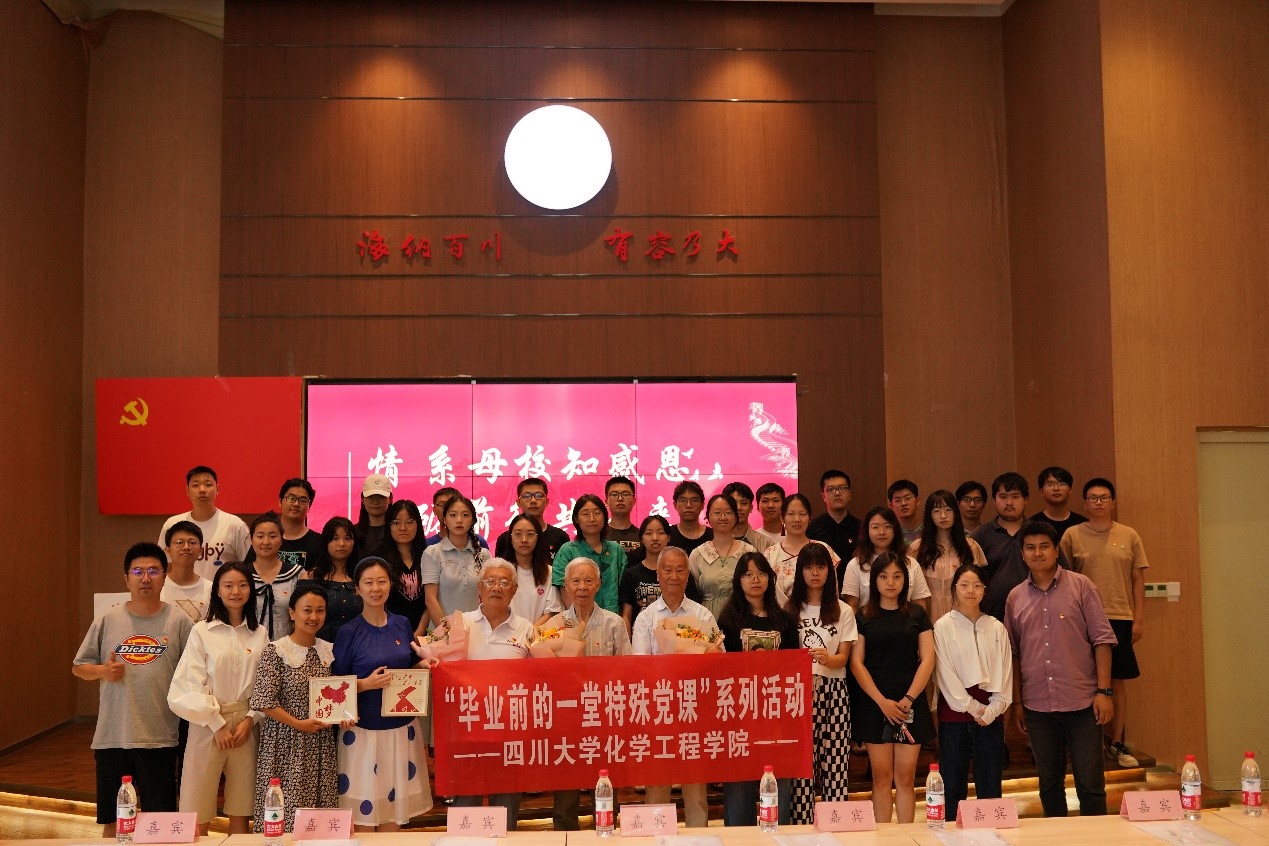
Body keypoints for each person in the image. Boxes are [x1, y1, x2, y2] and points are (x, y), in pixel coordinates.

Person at [73, 542, 193, 837]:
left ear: (165, 577)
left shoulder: (179, 621)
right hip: (113, 736)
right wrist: (102, 671)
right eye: (137, 572)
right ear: (126, 579)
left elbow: (194, 674)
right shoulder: (108, 619)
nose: (145, 578)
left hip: (160, 738)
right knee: (113, 822)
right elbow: (79, 666)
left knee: (159, 823)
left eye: (153, 571)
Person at [1006, 521, 1116, 817]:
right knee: (1049, 784)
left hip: (1083, 702)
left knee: (1090, 784)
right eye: (1030, 547)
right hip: (1037, 705)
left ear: (1056, 550)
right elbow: (1013, 654)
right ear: (1022, 554)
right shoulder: (1015, 597)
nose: (1038, 553)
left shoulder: (1082, 586)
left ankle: (1096, 836)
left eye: (1044, 546)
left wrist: (1104, 692)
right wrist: (1018, 703)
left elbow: (1102, 641)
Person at [167, 562, 268, 834]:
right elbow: (188, 684)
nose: (236, 591)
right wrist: (216, 724)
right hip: (207, 722)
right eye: (228, 585)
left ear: (251, 590)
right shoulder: (202, 631)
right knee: (197, 804)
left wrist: (251, 719)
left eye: (243, 585)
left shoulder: (260, 633)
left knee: (241, 805)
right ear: (218, 591)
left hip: (246, 725)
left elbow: (265, 683)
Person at [333, 557, 433, 831]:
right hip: (362, 734)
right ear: (357, 588)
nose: (375, 588)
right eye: (368, 583)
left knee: (394, 814)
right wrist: (365, 684)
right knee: (364, 817)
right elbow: (335, 684)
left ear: (391, 585)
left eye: (381, 581)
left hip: (402, 730)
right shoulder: (348, 632)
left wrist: (424, 665)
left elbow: (409, 666)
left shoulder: (402, 624)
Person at [1060, 477, 1148, 769]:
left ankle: (1117, 741)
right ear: (1085, 503)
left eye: (1104, 497)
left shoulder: (1129, 534)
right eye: (1093, 498)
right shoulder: (1072, 535)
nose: (1098, 502)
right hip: (1082, 618)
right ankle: (1089, 741)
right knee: (1085, 680)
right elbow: (1063, 578)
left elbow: (1138, 578)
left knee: (1116, 680)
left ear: (1113, 502)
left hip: (1120, 616)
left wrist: (1138, 618)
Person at [250, 583, 349, 832]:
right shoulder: (275, 650)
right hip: (284, 743)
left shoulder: (329, 650)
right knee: (285, 813)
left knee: (318, 816)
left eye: (320, 610)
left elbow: (338, 693)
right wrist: (298, 724)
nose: (313, 617)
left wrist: (344, 715)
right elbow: (263, 701)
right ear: (292, 612)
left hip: (320, 743)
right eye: (307, 610)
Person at [631, 547, 717, 829]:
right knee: (657, 784)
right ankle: (657, 837)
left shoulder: (702, 615)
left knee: (696, 788)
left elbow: (719, 658)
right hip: (659, 709)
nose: (674, 576)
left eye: (680, 570)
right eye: (667, 570)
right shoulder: (646, 618)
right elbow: (640, 666)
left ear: (688, 575)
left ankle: (698, 837)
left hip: (694, 708)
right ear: (657, 574)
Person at [849, 552, 936, 824]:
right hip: (875, 704)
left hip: (910, 702)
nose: (890, 582)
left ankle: (907, 837)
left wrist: (909, 698)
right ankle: (884, 838)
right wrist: (881, 702)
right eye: (884, 576)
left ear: (905, 581)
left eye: (897, 576)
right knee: (881, 777)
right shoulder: (863, 615)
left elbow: (928, 659)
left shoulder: (917, 614)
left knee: (906, 778)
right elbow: (857, 664)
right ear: (874, 580)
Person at [452, 559, 536, 828]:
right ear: (480, 588)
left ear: (514, 590)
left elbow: (538, 678)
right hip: (469, 728)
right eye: (490, 581)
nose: (496, 588)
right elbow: (438, 664)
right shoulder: (460, 623)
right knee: (466, 804)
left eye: (504, 582)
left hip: (510, 730)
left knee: (506, 806)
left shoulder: (527, 629)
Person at [551, 558, 633, 830]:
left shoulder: (614, 623)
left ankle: (606, 831)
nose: (582, 587)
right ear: (566, 585)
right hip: (567, 717)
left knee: (606, 782)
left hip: (605, 715)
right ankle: (565, 835)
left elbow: (627, 670)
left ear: (599, 584)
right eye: (576, 581)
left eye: (588, 581)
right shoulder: (555, 625)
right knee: (566, 783)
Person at [718, 552, 798, 826]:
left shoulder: (785, 621)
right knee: (739, 786)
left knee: (777, 783)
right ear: (738, 580)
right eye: (748, 574)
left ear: (770, 579)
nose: (755, 580)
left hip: (776, 714)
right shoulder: (727, 622)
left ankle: (777, 836)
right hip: (739, 714)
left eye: (761, 574)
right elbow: (722, 670)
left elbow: (793, 668)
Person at [933, 564, 1012, 822]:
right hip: (954, 717)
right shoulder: (943, 626)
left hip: (991, 716)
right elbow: (944, 674)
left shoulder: (996, 627)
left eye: (977, 586)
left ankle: (992, 836)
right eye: (964, 585)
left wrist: (992, 710)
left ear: (984, 590)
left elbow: (1006, 671)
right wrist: (974, 708)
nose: (971, 591)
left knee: (990, 786)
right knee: (953, 786)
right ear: (954, 588)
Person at [784, 543, 856, 823]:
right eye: (808, 567)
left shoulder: (842, 610)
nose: (815, 573)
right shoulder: (789, 610)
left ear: (830, 571)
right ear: (800, 571)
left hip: (835, 690)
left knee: (836, 763)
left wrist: (827, 658)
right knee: (803, 765)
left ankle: (835, 825)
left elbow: (844, 658)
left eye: (821, 566)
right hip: (799, 693)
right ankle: (801, 828)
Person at [973, 472, 1067, 621]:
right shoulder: (980, 536)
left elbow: (1063, 573)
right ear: (995, 500)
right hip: (990, 618)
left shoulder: (1041, 533)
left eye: (1015, 497)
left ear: (1026, 499)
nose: (1009, 502)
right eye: (1003, 497)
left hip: (1038, 616)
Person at [158, 465, 250, 580]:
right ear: (187, 491)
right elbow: (163, 566)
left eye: (208, 484)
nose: (202, 490)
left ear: (217, 489)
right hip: (182, 591)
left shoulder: (235, 525)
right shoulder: (172, 524)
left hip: (222, 591)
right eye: (195, 485)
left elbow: (249, 566)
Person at [911, 490, 987, 623]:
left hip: (963, 617)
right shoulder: (917, 548)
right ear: (929, 515)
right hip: (928, 617)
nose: (943, 515)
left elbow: (979, 585)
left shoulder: (970, 546)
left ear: (955, 512)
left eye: (948, 510)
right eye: (936, 511)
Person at [618, 514, 703, 633]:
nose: (655, 538)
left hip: (678, 635)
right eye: (649, 533)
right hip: (642, 633)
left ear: (668, 537)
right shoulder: (631, 574)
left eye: (660, 533)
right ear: (641, 538)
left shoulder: (680, 573)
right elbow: (627, 615)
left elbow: (693, 607)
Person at [841, 506, 931, 613]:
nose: (882, 532)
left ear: (895, 529)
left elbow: (920, 605)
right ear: (867, 531)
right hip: (867, 622)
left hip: (905, 622)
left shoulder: (911, 563)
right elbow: (852, 608)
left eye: (887, 526)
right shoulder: (855, 565)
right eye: (875, 527)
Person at [423, 495, 489, 632]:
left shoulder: (483, 555)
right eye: (453, 515)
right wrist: (448, 632)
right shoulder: (433, 553)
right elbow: (430, 599)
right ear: (445, 519)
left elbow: (488, 597)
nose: (459, 520)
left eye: (465, 515)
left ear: (473, 520)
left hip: (475, 630)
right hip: (442, 632)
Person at [552, 495, 626, 614]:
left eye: (597, 513)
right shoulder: (567, 550)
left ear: (604, 516)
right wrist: (580, 617)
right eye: (585, 514)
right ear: (576, 518)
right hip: (579, 619)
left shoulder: (616, 550)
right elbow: (563, 588)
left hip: (613, 618)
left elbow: (624, 588)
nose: (592, 519)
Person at [688, 494, 756, 619]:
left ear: (736, 516)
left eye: (728, 513)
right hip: (706, 618)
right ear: (708, 516)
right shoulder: (698, 554)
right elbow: (691, 592)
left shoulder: (748, 551)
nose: (723, 517)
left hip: (741, 617)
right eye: (717, 513)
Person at [764, 492, 839, 604]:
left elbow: (833, 590)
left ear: (810, 518)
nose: (797, 519)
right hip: (779, 613)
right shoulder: (770, 554)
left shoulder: (823, 549)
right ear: (782, 518)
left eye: (802, 514)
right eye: (791, 514)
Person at [307, 516, 362, 643]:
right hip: (319, 645)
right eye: (335, 538)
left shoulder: (361, 576)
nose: (342, 544)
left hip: (357, 644)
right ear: (325, 542)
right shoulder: (311, 577)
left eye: (347, 538)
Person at [379, 500, 430, 633]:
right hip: (388, 632)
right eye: (396, 522)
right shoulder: (379, 558)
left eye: (409, 522)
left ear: (418, 524)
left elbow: (432, 598)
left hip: (424, 634)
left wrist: (420, 631)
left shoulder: (429, 555)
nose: (403, 528)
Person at [506, 513, 562, 626]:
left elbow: (552, 611)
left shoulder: (549, 573)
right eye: (518, 534)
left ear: (538, 538)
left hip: (538, 633)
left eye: (530, 534)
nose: (524, 539)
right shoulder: (502, 571)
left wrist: (530, 631)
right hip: (506, 632)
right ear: (511, 538)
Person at [493, 478, 568, 560]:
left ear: (546, 502)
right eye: (526, 496)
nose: (533, 500)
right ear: (518, 503)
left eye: (539, 496)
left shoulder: (560, 537)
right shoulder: (505, 539)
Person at [161, 520, 213, 623]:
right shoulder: (157, 587)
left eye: (192, 542)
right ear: (168, 550)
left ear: (201, 551)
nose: (186, 547)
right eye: (179, 542)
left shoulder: (211, 589)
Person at [268, 478, 325, 572]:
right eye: (291, 498)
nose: (296, 504)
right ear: (280, 501)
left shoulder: (320, 543)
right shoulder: (265, 539)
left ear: (309, 506)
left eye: (302, 500)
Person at [807, 469, 860, 564]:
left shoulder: (861, 528)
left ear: (849, 494)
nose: (837, 493)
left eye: (842, 488)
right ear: (823, 496)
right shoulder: (813, 528)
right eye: (831, 489)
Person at [1032, 466, 1089, 539]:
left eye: (1062, 484)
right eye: (1050, 484)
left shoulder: (1082, 524)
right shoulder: (1032, 525)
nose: (1056, 488)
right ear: (1041, 491)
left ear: (1070, 489)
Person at [723, 481, 773, 553]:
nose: (738, 508)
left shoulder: (766, 543)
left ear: (751, 508)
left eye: (744, 503)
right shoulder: (713, 541)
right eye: (733, 503)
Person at [668, 480, 713, 554]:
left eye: (694, 500)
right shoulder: (667, 535)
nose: (688, 505)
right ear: (675, 505)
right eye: (683, 500)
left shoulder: (713, 536)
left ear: (702, 505)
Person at [604, 475, 642, 559]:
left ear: (634, 501)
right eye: (614, 494)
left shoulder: (642, 536)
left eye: (625, 494)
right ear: (606, 501)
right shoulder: (599, 535)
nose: (620, 498)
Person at [355, 473, 393, 554]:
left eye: (381, 497)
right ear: (363, 499)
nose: (375, 502)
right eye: (370, 497)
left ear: (390, 499)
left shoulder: (397, 533)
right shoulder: (353, 533)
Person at [887, 479, 922, 546]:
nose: (903, 503)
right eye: (898, 500)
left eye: (908, 498)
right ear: (891, 506)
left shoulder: (928, 530)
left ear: (917, 501)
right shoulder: (888, 533)